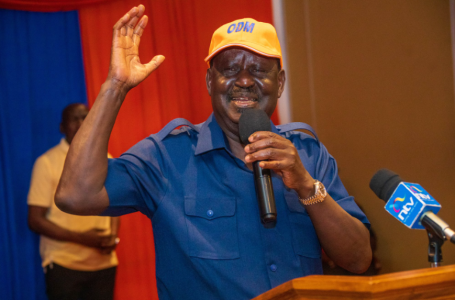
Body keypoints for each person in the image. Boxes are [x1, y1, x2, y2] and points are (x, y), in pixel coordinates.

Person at [55, 5, 372, 300]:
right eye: (230, 69)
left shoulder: (308, 154)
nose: (244, 81)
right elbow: (75, 195)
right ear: (210, 81)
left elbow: (358, 259)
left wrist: (306, 185)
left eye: (259, 69)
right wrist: (115, 86)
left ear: (280, 83)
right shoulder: (167, 155)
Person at [28, 103, 119, 300]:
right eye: (74, 119)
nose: (81, 123)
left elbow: (115, 205)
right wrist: (83, 239)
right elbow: (35, 220)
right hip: (64, 265)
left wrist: (113, 236)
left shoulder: (105, 158)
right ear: (62, 127)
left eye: (85, 117)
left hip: (103, 265)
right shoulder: (46, 163)